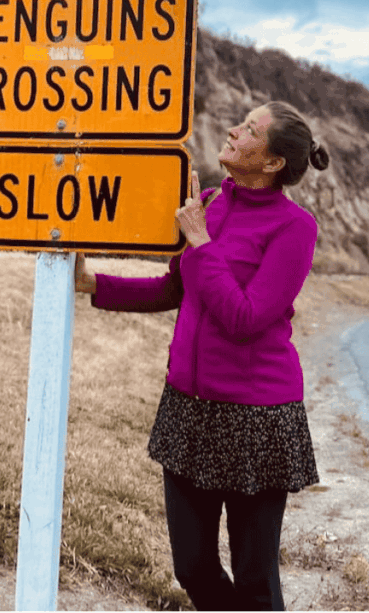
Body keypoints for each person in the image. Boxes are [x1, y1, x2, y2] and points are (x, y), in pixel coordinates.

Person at [75, 100, 330, 611]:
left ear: (274, 162)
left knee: (256, 580)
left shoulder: (294, 228)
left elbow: (244, 319)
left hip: (257, 419)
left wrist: (200, 242)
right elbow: (175, 289)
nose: (234, 131)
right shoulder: (209, 202)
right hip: (188, 410)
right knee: (191, 567)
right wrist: (93, 284)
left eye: (250, 130)